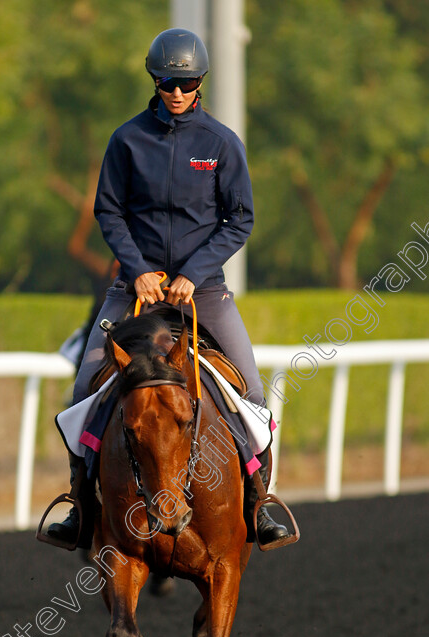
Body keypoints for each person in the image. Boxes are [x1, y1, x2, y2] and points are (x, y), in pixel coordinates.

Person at [47, 28, 289, 549]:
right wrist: (137, 270)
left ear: (200, 81)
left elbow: (239, 219)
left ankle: (259, 501)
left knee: (250, 391)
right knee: (85, 386)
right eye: (166, 83)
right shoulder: (127, 139)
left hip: (204, 293)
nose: (176, 92)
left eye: (185, 82)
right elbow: (108, 210)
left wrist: (192, 274)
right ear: (154, 81)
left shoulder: (222, 143)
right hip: (134, 289)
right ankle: (80, 506)